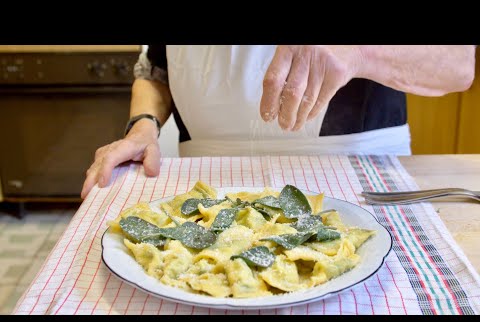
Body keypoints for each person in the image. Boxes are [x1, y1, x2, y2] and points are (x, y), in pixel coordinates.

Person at [81, 45, 476, 199]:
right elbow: (156, 71)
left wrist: (360, 53)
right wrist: (144, 125)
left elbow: (458, 64)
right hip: (205, 186)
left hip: (358, 181)